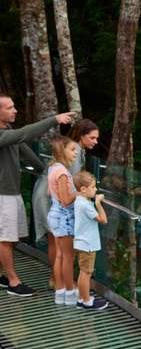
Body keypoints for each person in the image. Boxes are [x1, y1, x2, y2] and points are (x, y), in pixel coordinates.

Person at [0, 95, 73, 296]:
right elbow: (24, 135)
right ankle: (14, 283)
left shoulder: (8, 132)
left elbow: (25, 150)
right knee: (5, 240)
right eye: (10, 107)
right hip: (2, 196)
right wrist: (53, 120)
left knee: (12, 240)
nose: (15, 110)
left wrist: (49, 172)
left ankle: (1, 274)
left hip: (12, 193)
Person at [34, 118, 98, 282]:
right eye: (92, 138)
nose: (96, 142)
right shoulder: (75, 150)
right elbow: (72, 183)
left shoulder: (70, 147)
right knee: (58, 242)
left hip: (45, 194)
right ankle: (57, 281)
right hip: (51, 198)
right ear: (81, 136)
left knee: (55, 240)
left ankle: (56, 279)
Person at [44, 136, 79, 306]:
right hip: (64, 218)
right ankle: (70, 293)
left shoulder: (53, 168)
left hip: (55, 215)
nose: (76, 153)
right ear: (62, 150)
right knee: (68, 257)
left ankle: (60, 292)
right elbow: (66, 200)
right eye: (72, 150)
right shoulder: (63, 172)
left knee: (59, 255)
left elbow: (51, 194)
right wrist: (79, 193)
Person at [72, 171, 108, 311]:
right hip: (87, 245)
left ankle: (82, 298)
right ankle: (86, 301)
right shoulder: (86, 205)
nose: (95, 190)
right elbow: (103, 220)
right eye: (93, 187)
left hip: (82, 242)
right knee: (86, 273)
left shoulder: (80, 201)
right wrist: (98, 203)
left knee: (83, 272)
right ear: (83, 189)